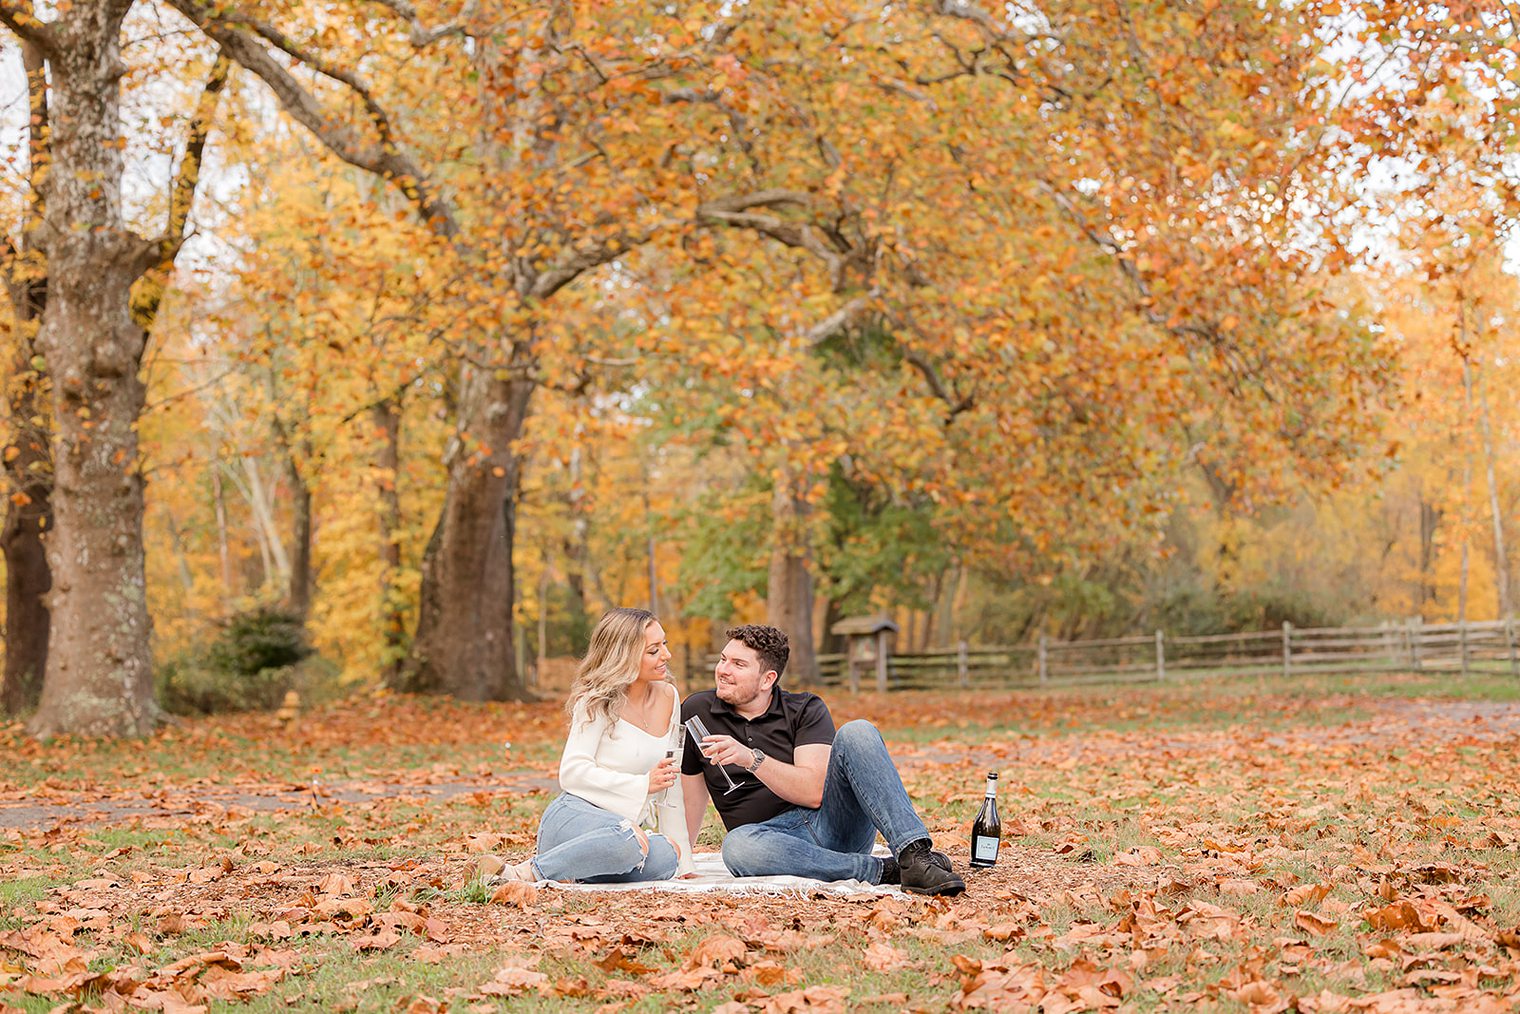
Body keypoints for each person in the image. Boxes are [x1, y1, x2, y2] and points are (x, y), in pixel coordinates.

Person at [680, 624, 965, 895]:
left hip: (833, 825)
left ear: (768, 679)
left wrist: (751, 759)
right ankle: (883, 870)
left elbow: (814, 793)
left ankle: (915, 855)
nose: (723, 671)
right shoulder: (697, 710)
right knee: (737, 846)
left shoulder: (804, 709)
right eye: (723, 659)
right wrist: (684, 855)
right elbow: (691, 795)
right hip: (770, 843)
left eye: (738, 665)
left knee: (858, 731)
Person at [483, 607, 693, 884]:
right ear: (625, 656)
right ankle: (525, 873)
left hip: (627, 832)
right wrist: (643, 784)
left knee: (669, 855)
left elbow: (670, 783)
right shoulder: (596, 702)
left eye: (663, 644)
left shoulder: (669, 696)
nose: (666, 655)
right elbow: (571, 773)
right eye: (653, 650)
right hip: (576, 817)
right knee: (630, 842)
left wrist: (686, 862)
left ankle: (579, 866)